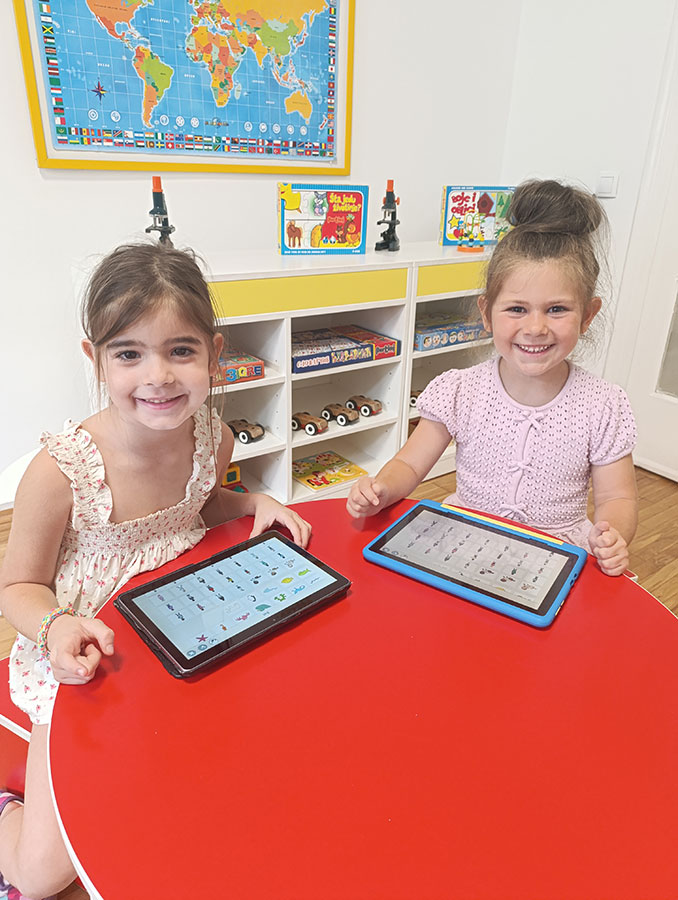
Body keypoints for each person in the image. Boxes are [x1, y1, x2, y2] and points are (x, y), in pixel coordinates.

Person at [0, 241, 310, 899]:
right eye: (129, 354)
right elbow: (17, 587)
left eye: (180, 350)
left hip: (184, 625)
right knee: (41, 875)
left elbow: (200, 505)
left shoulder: (214, 437)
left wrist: (252, 502)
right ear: (95, 358)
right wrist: (55, 628)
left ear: (214, 355)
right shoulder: (59, 471)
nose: (159, 376)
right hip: (86, 658)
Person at [347, 179, 638, 577]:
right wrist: (381, 489)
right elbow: (410, 466)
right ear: (486, 313)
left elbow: (618, 497)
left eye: (557, 309)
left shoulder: (603, 405)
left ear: (588, 315)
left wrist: (613, 534)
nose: (535, 328)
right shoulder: (459, 390)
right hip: (464, 544)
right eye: (517, 309)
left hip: (554, 559)